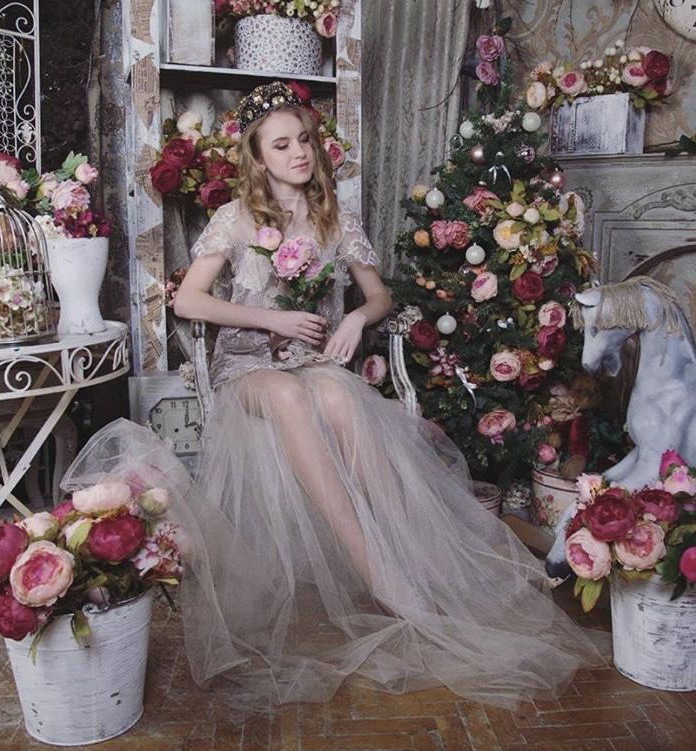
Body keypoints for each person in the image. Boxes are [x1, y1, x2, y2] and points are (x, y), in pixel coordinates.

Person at [170, 81, 609, 715]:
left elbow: (379, 297)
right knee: (293, 400)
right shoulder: (236, 218)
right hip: (250, 366)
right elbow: (188, 301)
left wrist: (354, 318)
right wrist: (272, 319)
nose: (299, 153)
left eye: (304, 140)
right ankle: (384, 579)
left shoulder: (335, 218)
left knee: (339, 397)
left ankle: (410, 555)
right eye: (281, 145)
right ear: (258, 157)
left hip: (314, 361)